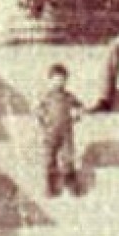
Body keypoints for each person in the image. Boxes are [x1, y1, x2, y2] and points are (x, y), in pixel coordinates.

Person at [35, 63, 84, 197]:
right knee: (49, 159)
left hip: (66, 133)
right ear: (50, 80)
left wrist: (78, 114)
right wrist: (43, 122)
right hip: (50, 133)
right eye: (56, 79)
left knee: (67, 157)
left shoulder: (69, 96)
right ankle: (50, 186)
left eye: (62, 79)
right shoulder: (46, 97)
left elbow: (80, 106)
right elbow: (38, 111)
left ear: (66, 81)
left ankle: (71, 184)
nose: (59, 83)